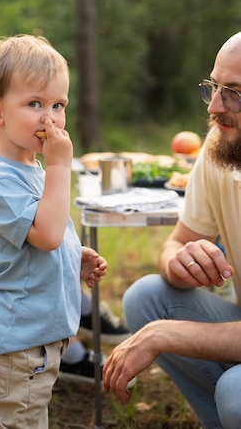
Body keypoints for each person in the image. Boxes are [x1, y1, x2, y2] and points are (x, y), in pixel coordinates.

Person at [0, 34, 107, 428]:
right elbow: (45, 234)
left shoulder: (29, 168)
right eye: (34, 104)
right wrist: (61, 167)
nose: (51, 118)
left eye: (58, 105)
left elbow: (41, 240)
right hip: (14, 349)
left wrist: (71, 257)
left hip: (32, 343)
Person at [103, 30, 241, 429]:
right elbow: (178, 241)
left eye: (234, 93)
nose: (215, 107)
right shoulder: (222, 146)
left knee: (235, 392)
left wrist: (164, 336)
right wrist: (177, 262)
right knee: (147, 297)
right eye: (214, 87)